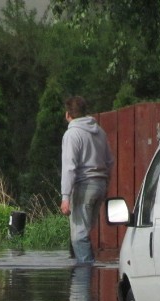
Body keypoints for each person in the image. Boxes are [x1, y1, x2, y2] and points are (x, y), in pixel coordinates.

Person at [60, 96, 114, 265]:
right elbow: (109, 161)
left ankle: (83, 280)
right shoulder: (100, 132)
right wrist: (106, 186)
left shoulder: (72, 134)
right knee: (84, 233)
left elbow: (69, 167)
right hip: (99, 184)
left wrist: (65, 197)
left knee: (79, 236)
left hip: (84, 186)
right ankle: (84, 271)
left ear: (68, 114)